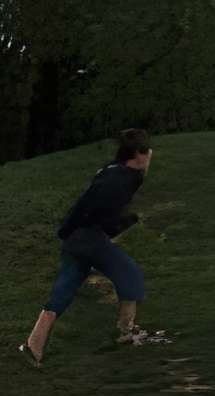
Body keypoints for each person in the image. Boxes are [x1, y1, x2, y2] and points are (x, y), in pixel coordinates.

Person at [19, 127, 169, 363]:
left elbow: (84, 204)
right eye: (148, 151)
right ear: (139, 155)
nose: (151, 154)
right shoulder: (124, 180)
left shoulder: (112, 170)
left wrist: (67, 232)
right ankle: (126, 333)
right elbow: (100, 212)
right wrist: (121, 223)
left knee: (64, 289)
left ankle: (33, 344)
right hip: (90, 238)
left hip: (75, 238)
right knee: (131, 277)